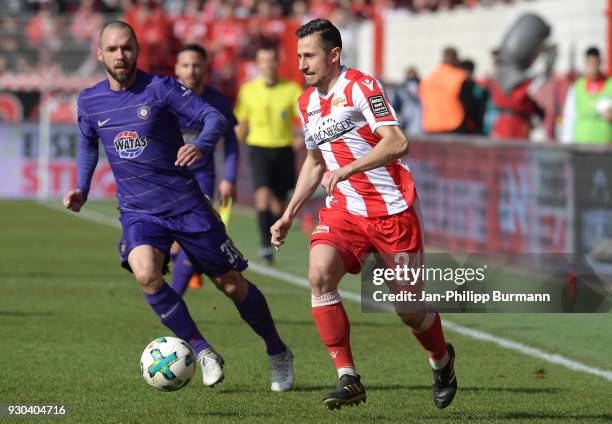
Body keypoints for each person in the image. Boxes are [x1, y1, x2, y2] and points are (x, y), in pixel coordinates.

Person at [63, 21, 294, 392]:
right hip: (139, 211)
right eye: (112, 49)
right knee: (145, 274)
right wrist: (80, 187)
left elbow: (215, 117)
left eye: (126, 48)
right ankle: (203, 351)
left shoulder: (161, 88)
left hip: (187, 205)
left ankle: (277, 350)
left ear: (137, 50)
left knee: (232, 286)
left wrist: (201, 145)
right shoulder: (90, 101)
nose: (120, 55)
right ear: (99, 54)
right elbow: (88, 144)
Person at [271, 19, 457, 410]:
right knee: (319, 274)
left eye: (310, 56)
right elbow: (316, 161)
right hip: (346, 211)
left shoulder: (361, 86)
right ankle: (348, 377)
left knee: (409, 309)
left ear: (334, 55)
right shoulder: (306, 104)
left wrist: (350, 169)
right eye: (299, 56)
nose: (302, 64)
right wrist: (289, 212)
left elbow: (398, 142)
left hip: (392, 211)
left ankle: (441, 360)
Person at [171, 43, 240, 294]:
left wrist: (229, 178)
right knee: (172, 244)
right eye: (186, 65)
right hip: (167, 179)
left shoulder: (217, 101)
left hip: (201, 179)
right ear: (177, 69)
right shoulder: (164, 96)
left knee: (192, 237)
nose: (191, 70)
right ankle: (190, 267)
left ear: (205, 68)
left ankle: (173, 300)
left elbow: (231, 143)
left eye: (196, 65)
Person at [234, 45, 303, 264]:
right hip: (258, 148)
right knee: (262, 195)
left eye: (272, 60)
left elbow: (307, 116)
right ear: (258, 63)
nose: (268, 65)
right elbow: (241, 122)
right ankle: (265, 245)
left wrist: (302, 138)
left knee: (279, 205)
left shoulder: (291, 89)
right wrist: (234, 144)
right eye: (264, 60)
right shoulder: (248, 90)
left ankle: (272, 233)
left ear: (277, 62)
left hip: (283, 149)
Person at [561, 47, 612, 144]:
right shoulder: (577, 86)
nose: (592, 68)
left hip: (605, 148)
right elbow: (570, 116)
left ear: (600, 62)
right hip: (581, 146)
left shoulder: (610, 85)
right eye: (589, 64)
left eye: (595, 64)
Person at [419, 47, 475, 134]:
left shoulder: (428, 78)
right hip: (454, 126)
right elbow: (469, 104)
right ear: (456, 59)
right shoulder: (460, 77)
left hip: (431, 126)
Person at [392, 67, 422, 136]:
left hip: (407, 125)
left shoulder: (400, 90)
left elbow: (396, 109)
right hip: (422, 125)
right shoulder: (423, 87)